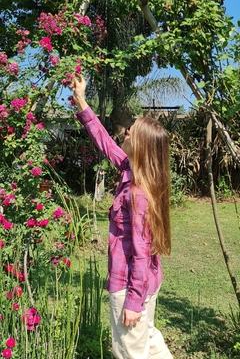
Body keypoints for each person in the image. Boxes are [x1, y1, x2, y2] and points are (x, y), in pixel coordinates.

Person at [72, 76, 173, 359]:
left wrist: (132, 302)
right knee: (149, 340)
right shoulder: (133, 171)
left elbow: (140, 255)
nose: (126, 132)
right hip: (147, 284)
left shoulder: (138, 194)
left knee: (129, 351)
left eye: (131, 132)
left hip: (131, 285)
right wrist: (81, 101)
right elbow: (105, 142)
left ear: (140, 146)